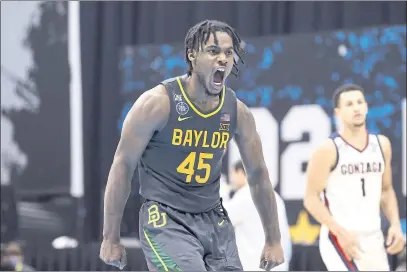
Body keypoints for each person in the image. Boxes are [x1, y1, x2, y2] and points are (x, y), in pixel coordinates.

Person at [99, 20, 284, 271]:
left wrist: (273, 239)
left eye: (229, 53)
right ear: (192, 55)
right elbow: (123, 165)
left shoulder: (237, 112)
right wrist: (110, 237)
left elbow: (258, 173)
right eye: (213, 51)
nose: (223, 58)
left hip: (214, 219)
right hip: (166, 218)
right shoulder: (158, 103)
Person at [304, 84, 405, 271]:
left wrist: (396, 225)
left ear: (366, 107)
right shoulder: (328, 149)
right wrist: (339, 231)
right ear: (338, 112)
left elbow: (386, 190)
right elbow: (310, 199)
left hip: (374, 237)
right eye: (349, 104)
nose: (356, 108)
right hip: (340, 238)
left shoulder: (382, 145)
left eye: (360, 102)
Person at [224, 160, 292, 271]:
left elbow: (222, 218)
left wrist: (223, 193)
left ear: (241, 172)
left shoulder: (246, 194)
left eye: (233, 174)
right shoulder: (275, 196)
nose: (232, 179)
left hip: (254, 264)